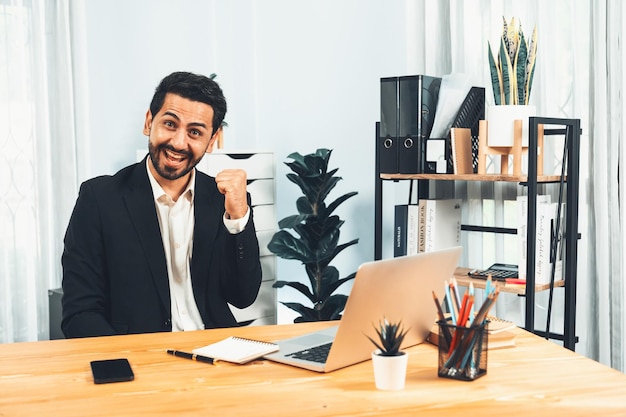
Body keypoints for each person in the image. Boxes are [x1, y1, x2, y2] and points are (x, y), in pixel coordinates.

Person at [61, 71, 262, 338]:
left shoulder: (223, 200)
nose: (179, 142)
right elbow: (80, 313)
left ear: (212, 141)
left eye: (195, 132)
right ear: (149, 122)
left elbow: (242, 297)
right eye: (170, 124)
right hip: (140, 358)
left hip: (216, 353)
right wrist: (125, 364)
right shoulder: (99, 199)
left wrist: (238, 219)